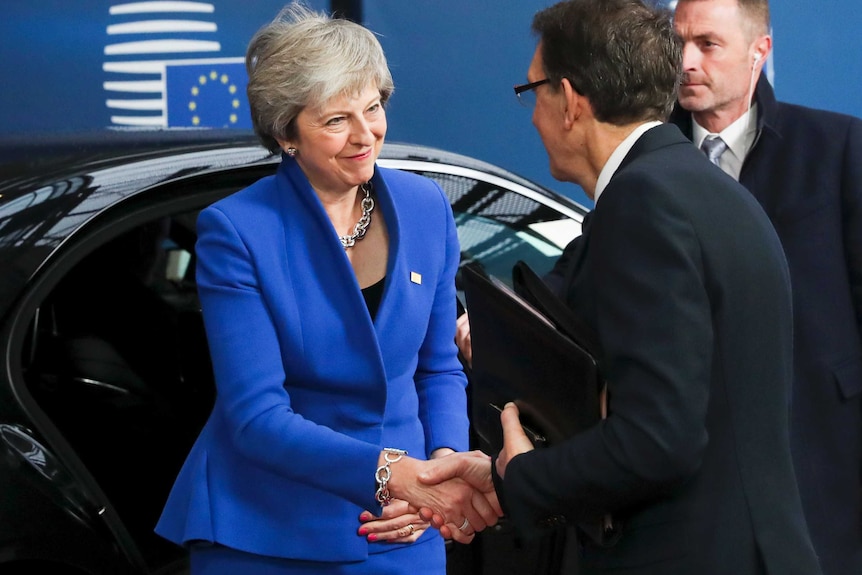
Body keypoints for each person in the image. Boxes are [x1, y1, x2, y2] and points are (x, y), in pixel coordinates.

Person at [423, 0, 823, 573]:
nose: (533, 116)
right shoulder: (694, 187)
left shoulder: (642, 204)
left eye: (532, 92)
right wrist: (498, 474)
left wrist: (524, 476)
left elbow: (660, 439)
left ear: (571, 101)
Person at [154, 3, 500, 573]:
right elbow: (256, 415)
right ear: (287, 133)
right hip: (268, 528)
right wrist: (392, 474)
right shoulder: (238, 230)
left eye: (374, 107)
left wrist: (439, 471)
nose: (366, 136)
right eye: (337, 120)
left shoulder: (426, 208)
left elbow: (438, 367)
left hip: (402, 530)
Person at [669, 2, 862, 573]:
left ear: (761, 51)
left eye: (707, 44)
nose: (685, 61)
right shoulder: (648, 156)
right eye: (677, 43)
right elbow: (590, 259)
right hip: (695, 474)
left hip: (820, 459)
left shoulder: (836, 147)